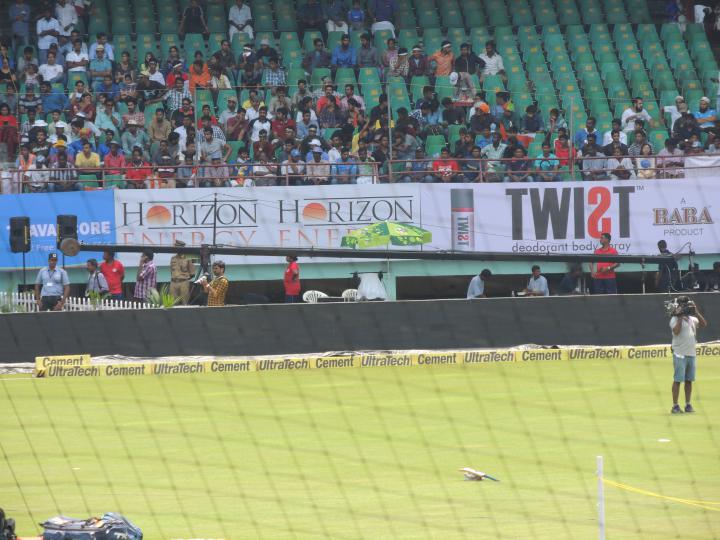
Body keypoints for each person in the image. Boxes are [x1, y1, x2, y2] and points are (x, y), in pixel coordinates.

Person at [669, 298, 708, 414]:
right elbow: (676, 331)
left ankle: (688, 404)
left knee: (689, 380)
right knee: (677, 380)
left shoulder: (692, 319)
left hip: (691, 353)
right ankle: (675, 406)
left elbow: (704, 324)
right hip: (679, 354)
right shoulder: (674, 319)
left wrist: (696, 312)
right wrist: (680, 317)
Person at [169, 240, 195, 305]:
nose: (176, 249)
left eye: (177, 247)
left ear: (182, 248)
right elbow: (171, 271)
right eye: (175, 247)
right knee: (173, 304)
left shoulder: (188, 258)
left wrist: (184, 279)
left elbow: (192, 273)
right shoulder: (173, 258)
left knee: (184, 303)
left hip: (184, 282)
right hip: (173, 282)